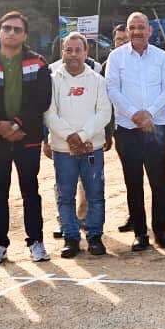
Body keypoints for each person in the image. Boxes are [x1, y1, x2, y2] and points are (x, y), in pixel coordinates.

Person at [0, 10, 53, 264]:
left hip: (27, 136)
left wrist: (16, 124)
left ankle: (36, 242)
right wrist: (0, 127)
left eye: (17, 29)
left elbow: (41, 100)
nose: (11, 33)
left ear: (25, 35)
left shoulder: (38, 62)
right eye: (7, 28)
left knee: (30, 190)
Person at [106, 12, 165, 251]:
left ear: (150, 30)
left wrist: (149, 114)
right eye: (132, 27)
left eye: (141, 27)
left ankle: (160, 231)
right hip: (127, 129)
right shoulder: (116, 57)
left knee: (159, 182)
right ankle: (140, 233)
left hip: (157, 127)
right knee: (133, 182)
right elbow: (112, 89)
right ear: (127, 31)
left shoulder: (162, 57)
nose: (136, 31)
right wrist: (134, 114)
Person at [46, 33, 111, 258]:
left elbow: (104, 112)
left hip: (91, 148)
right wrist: (70, 138)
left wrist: (82, 137)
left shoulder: (97, 80)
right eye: (68, 50)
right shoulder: (52, 80)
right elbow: (49, 113)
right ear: (62, 52)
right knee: (65, 196)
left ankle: (94, 237)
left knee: (95, 194)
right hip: (63, 150)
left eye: (78, 50)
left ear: (86, 52)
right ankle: (71, 237)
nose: (73, 55)